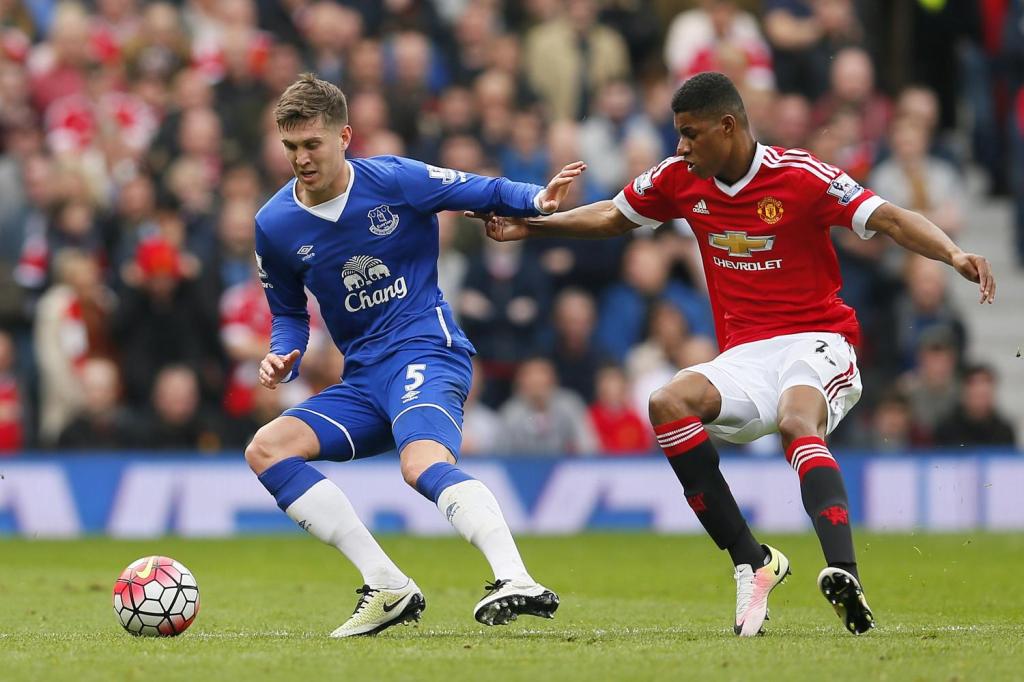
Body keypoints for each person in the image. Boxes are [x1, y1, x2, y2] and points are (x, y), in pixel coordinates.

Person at [469, 71, 996, 637]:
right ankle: (752, 559)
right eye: (677, 134)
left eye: (690, 134)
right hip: (745, 356)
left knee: (798, 420)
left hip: (817, 340)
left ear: (728, 126)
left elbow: (888, 217)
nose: (681, 147)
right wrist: (534, 226)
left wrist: (952, 252)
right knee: (668, 402)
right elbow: (613, 216)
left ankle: (844, 574)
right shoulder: (678, 178)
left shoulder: (801, 176)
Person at [247, 73, 583, 638]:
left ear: (344, 135)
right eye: (291, 147)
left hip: (426, 349)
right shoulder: (274, 224)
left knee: (420, 465)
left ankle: (515, 578)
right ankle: (388, 585)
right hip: (364, 378)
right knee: (267, 450)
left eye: (312, 144)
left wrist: (537, 200)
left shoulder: (396, 180)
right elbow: (287, 313)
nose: (301, 158)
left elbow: (482, 190)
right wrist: (283, 356)